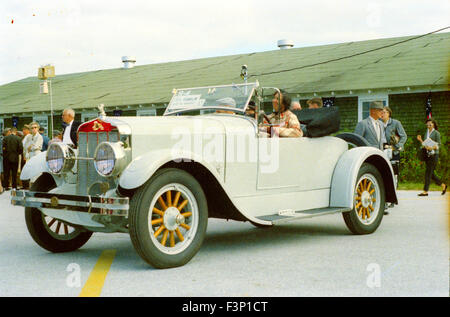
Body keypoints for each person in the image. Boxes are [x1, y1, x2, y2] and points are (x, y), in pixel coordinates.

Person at [417, 119, 447, 196]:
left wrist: (432, 148)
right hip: (427, 155)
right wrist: (420, 140)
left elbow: (439, 145)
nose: (428, 125)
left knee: (428, 173)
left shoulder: (436, 133)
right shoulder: (426, 133)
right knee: (431, 173)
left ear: (433, 124)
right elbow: (425, 144)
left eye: (430, 124)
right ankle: (443, 185)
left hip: (434, 155)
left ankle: (425, 191)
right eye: (427, 124)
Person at [380, 106, 407, 185]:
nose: (382, 114)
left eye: (384, 112)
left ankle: (394, 186)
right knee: (384, 169)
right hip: (382, 148)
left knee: (394, 170)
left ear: (389, 113)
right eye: (381, 112)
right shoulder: (379, 124)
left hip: (393, 149)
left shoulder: (395, 123)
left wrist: (396, 146)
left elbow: (404, 136)